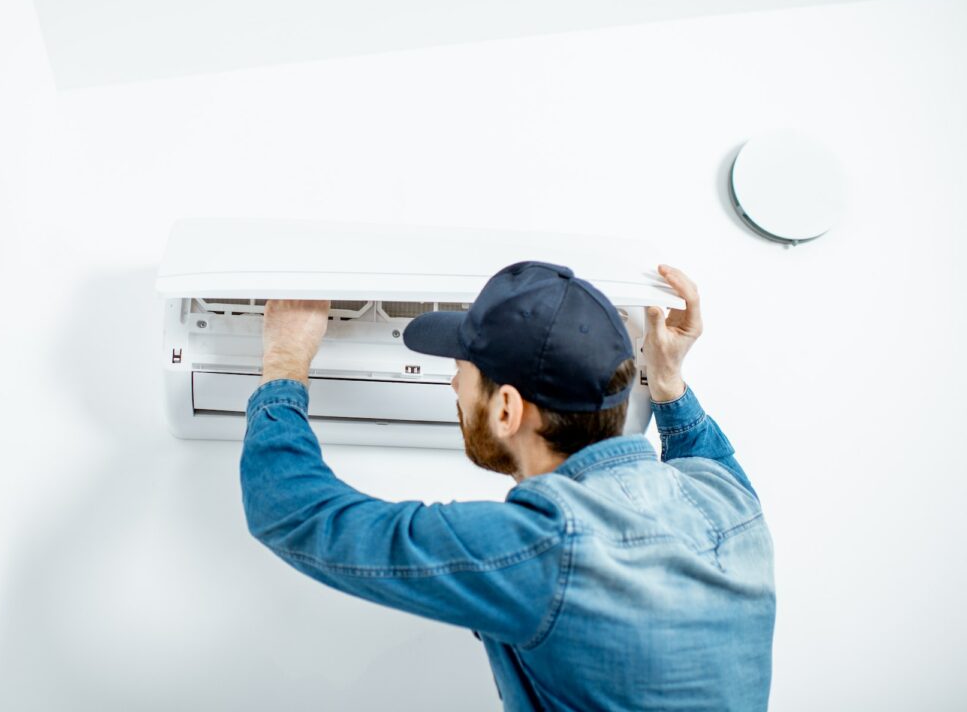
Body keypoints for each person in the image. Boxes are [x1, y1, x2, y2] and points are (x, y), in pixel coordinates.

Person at [240, 261, 775, 711]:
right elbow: (707, 456)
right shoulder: (726, 499)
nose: (454, 384)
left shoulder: (542, 551)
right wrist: (669, 382)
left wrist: (285, 361)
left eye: (463, 372)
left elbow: (296, 514)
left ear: (506, 409)